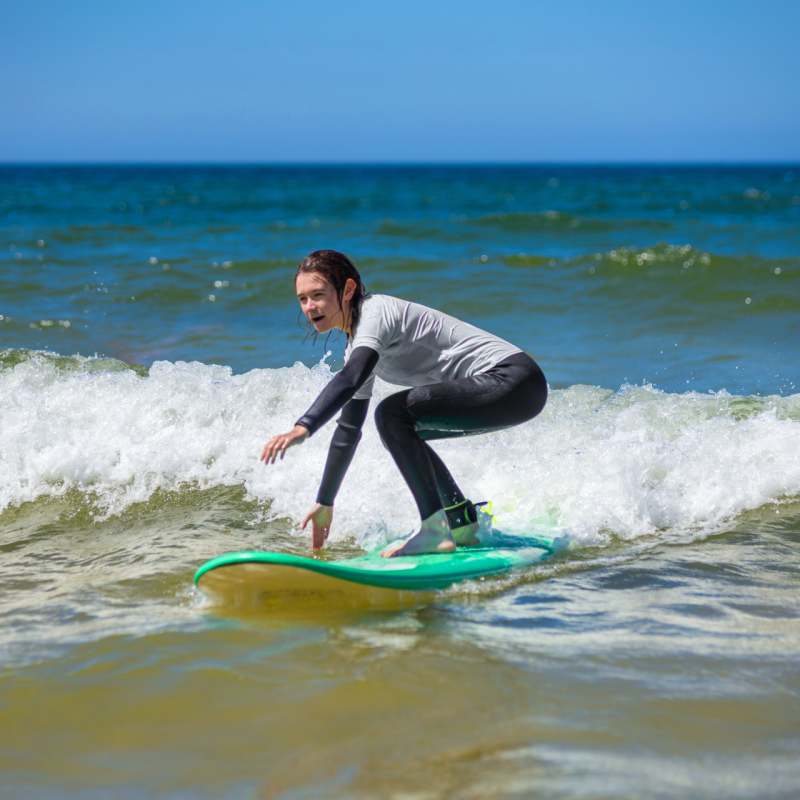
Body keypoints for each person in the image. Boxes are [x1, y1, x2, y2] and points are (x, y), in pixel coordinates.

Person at [260, 250, 547, 557]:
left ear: (347, 290)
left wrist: (303, 427)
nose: (309, 307)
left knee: (392, 414)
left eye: (318, 295)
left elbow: (349, 377)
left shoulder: (375, 313)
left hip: (513, 380)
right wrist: (325, 502)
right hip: (516, 392)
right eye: (302, 299)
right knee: (402, 428)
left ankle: (434, 531)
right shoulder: (359, 345)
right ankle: (460, 522)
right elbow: (347, 431)